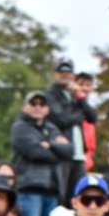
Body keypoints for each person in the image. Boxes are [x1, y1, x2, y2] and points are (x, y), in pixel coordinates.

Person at [10, 91, 72, 216]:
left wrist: (49, 144)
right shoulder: (20, 127)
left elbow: (69, 151)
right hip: (29, 190)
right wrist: (57, 148)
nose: (38, 107)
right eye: (33, 103)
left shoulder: (51, 128)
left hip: (53, 190)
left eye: (42, 104)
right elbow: (36, 153)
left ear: (47, 109)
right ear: (24, 107)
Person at [44, 57, 97, 198]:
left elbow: (92, 117)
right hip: (62, 153)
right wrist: (79, 114)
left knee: (77, 196)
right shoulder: (49, 95)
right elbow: (60, 119)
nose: (65, 75)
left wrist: (80, 97)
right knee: (61, 196)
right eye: (61, 71)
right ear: (55, 74)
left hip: (79, 155)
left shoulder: (75, 97)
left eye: (68, 72)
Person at [74, 73, 98, 172]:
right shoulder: (71, 107)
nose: (84, 88)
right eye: (81, 84)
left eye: (88, 85)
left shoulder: (89, 111)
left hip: (86, 157)